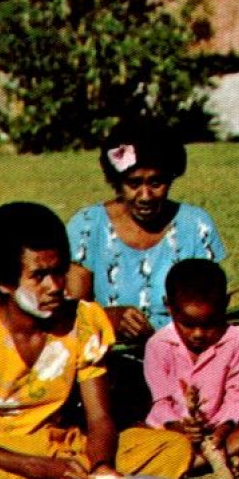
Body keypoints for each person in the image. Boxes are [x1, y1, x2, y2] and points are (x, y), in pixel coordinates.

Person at [0, 202, 191, 479]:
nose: (54, 287)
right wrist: (40, 469)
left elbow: (99, 418)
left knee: (173, 448)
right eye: (38, 276)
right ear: (3, 282)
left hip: (67, 449)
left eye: (59, 271)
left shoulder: (83, 321)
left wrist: (102, 465)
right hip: (2, 455)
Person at [66, 118, 225, 343]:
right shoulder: (87, 227)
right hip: (109, 355)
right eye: (134, 183)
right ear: (117, 182)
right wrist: (106, 318)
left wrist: (161, 342)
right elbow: (70, 314)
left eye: (156, 183)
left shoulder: (195, 225)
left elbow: (210, 310)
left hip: (184, 352)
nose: (145, 196)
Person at [143, 259, 239, 476]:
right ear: (169, 307)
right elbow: (160, 402)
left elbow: (238, 396)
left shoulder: (235, 340)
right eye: (188, 324)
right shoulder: (158, 345)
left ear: (225, 304)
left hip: (223, 432)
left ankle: (194, 464)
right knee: (136, 435)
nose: (198, 334)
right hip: (174, 433)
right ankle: (216, 460)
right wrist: (180, 427)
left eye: (209, 324)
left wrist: (223, 428)